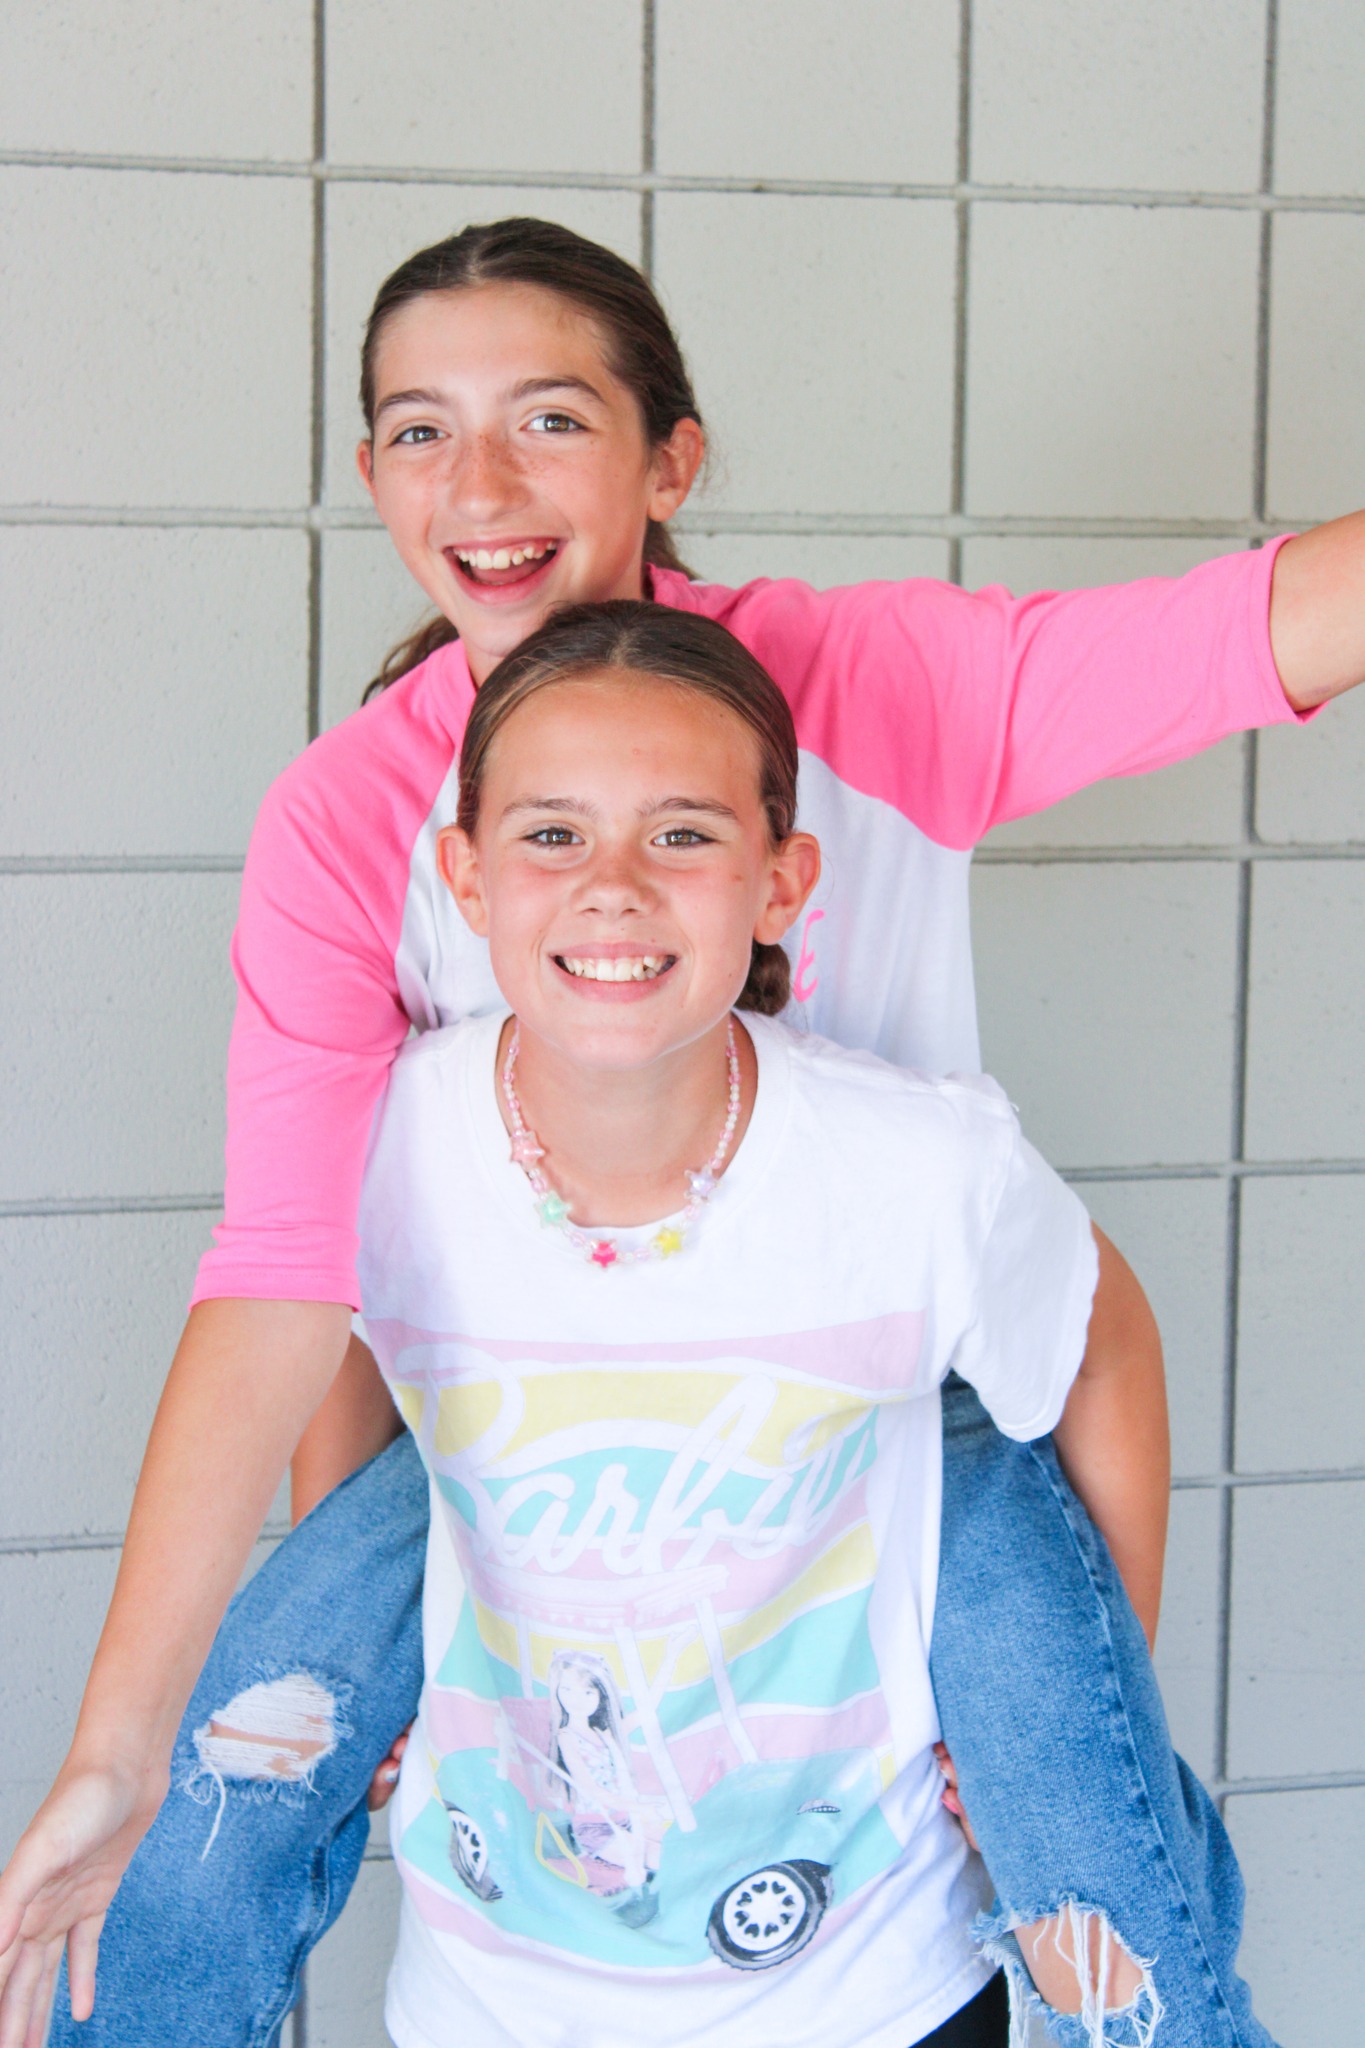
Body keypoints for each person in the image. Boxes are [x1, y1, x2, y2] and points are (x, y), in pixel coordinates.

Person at [2, 211, 1361, 2045]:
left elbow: (1263, 626)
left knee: (1085, 1846)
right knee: (217, 1790)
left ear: (670, 459)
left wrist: (1065, 1699)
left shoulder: (872, 692)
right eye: (419, 429)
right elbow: (303, 1267)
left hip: (885, 1405)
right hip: (524, 1424)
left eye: (548, 420)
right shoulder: (348, 820)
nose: (478, 482)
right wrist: (271, 1666)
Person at [350, 597, 1165, 2047]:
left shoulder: (919, 1168)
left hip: (870, 1987)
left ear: (783, 883)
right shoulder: (378, 1146)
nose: (612, 887)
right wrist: (371, 1667)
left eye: (681, 835)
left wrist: (1074, 1719)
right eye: (549, 836)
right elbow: (331, 1356)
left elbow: (1102, 1346)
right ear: (462, 880)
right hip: (488, 1989)